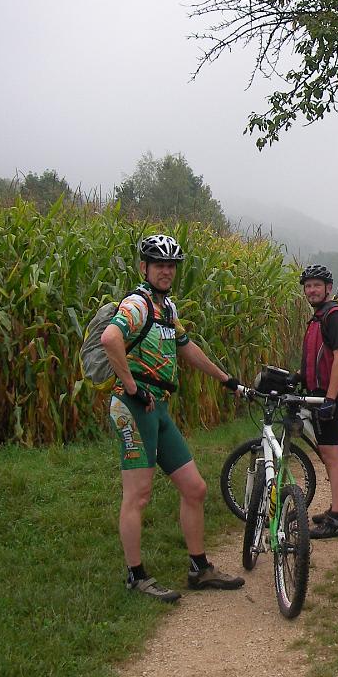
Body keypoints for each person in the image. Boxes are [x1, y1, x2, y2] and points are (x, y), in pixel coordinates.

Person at [101, 233, 245, 603]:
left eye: (171, 265)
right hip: (133, 406)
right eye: (159, 265)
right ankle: (136, 576)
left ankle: (199, 569)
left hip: (158, 406)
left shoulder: (166, 308)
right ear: (144, 267)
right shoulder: (137, 304)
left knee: (195, 488)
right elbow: (110, 339)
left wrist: (225, 379)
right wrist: (132, 387)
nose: (166, 271)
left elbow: (186, 347)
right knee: (138, 494)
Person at [299, 264, 338, 539]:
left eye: (316, 285)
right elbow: (316, 358)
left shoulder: (334, 315)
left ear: (328, 288)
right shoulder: (318, 317)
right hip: (319, 393)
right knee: (329, 452)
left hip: (329, 395)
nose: (311, 290)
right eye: (308, 286)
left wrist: (330, 399)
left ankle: (337, 519)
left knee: (332, 455)